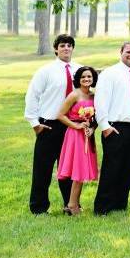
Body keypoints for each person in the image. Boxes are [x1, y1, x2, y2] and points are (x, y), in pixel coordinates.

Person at [94, 42, 130, 215]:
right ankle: (103, 207)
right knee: (112, 167)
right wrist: (105, 126)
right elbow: (101, 100)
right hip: (115, 127)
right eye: (128, 52)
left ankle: (120, 203)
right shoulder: (110, 74)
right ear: (121, 52)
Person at [24, 33, 79, 214]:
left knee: (69, 168)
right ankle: (39, 207)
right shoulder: (45, 71)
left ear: (72, 48)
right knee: (43, 169)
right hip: (49, 125)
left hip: (71, 126)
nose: (66, 48)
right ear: (56, 49)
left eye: (69, 45)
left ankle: (70, 205)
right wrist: (35, 123)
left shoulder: (79, 70)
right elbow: (33, 95)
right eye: (62, 45)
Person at [55, 66, 99, 215]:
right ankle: (72, 205)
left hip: (87, 136)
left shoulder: (94, 96)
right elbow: (60, 115)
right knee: (78, 171)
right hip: (74, 136)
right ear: (78, 80)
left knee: (81, 171)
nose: (86, 79)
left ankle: (73, 204)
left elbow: (96, 118)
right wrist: (77, 125)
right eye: (83, 77)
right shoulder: (74, 95)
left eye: (89, 77)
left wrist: (92, 128)